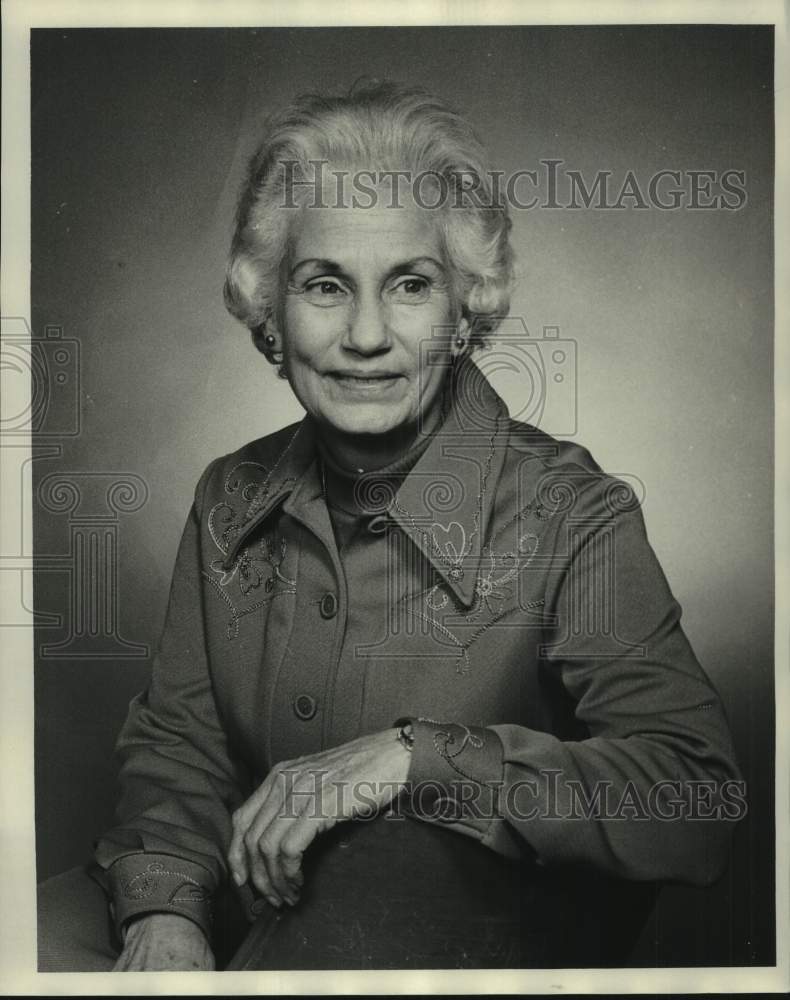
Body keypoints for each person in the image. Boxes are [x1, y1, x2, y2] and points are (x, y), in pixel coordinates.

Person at [38, 80, 743, 972]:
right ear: (270, 310)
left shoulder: (573, 512)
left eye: (410, 284)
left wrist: (416, 760)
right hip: (252, 903)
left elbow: (698, 800)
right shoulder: (229, 496)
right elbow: (181, 750)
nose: (365, 334)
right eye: (324, 283)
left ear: (463, 310)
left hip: (478, 937)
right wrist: (164, 913)